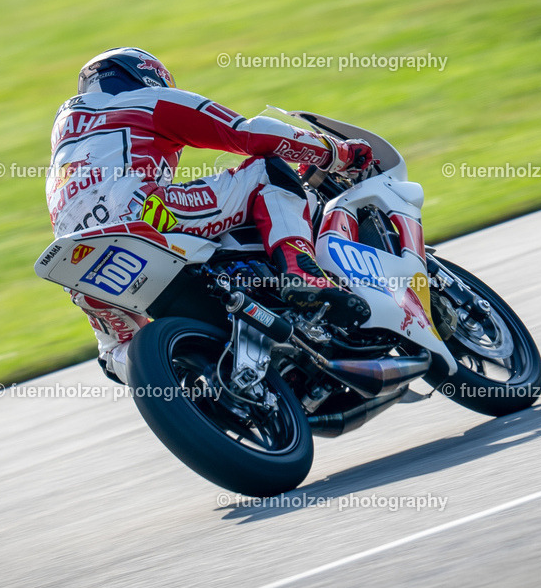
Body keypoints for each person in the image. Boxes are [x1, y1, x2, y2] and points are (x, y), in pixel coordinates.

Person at [46, 47, 373, 383]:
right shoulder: (150, 100)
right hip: (145, 216)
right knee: (265, 172)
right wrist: (337, 153)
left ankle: (189, 385)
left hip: (78, 255)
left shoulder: (66, 136)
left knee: (117, 352)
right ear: (147, 77)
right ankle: (301, 274)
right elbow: (251, 134)